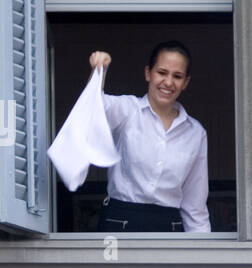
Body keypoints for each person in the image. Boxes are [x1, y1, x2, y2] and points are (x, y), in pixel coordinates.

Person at [89, 41, 210, 232]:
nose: (168, 82)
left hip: (169, 225)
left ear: (185, 82)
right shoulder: (127, 110)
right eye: (162, 72)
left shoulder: (195, 133)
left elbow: (195, 205)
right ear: (148, 73)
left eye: (177, 76)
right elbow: (90, 112)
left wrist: (202, 255)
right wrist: (99, 71)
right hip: (120, 221)